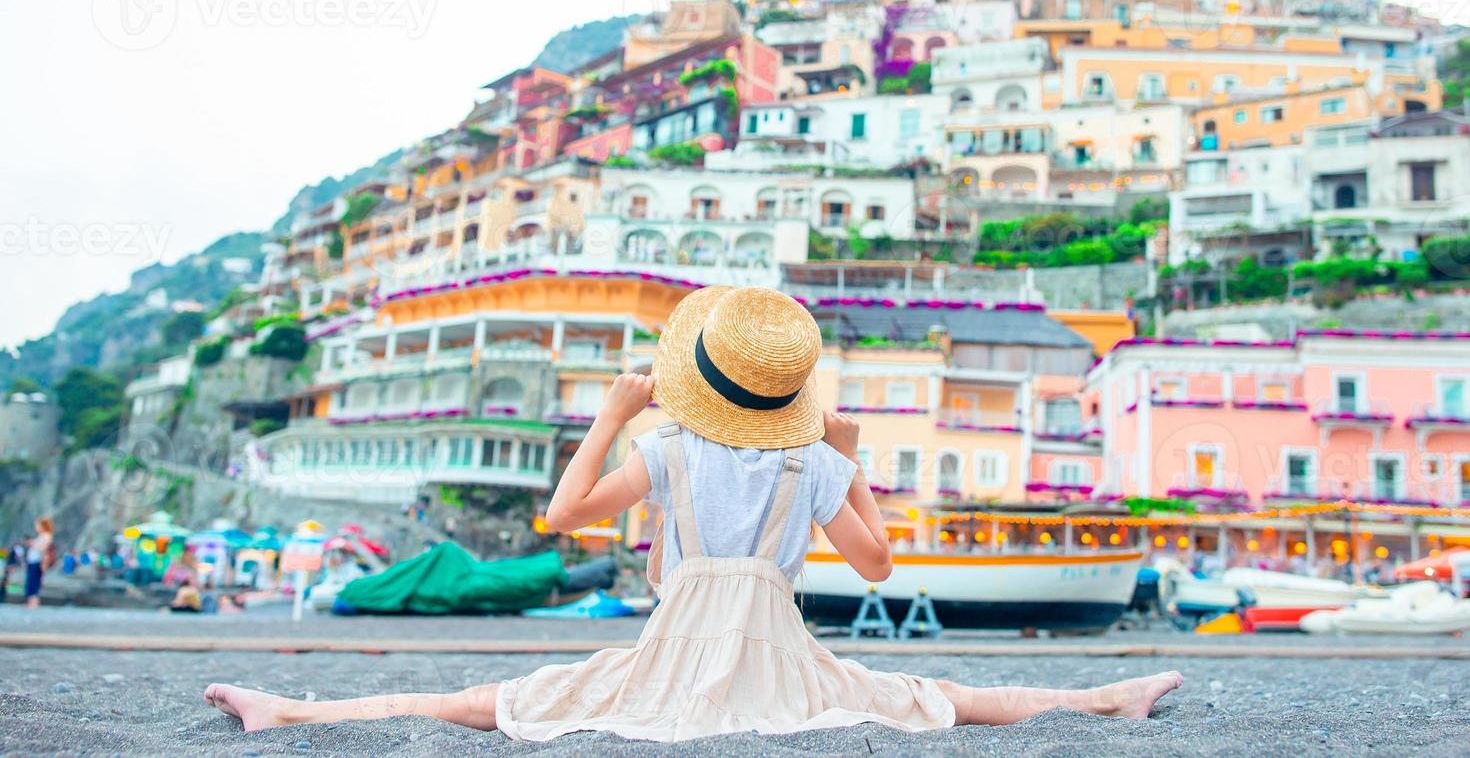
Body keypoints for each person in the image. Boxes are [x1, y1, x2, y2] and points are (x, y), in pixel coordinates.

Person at [204, 287, 1182, 738]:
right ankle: (1105, 697)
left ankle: (290, 707)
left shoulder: (667, 446)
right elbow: (878, 564)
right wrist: (848, 460)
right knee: (932, 697)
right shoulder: (810, 462)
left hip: (673, 653)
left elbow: (562, 512)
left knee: (496, 701)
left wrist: (612, 412)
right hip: (778, 658)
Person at [25, 517, 55, 608]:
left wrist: (32, 544)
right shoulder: (41, 536)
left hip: (38, 561)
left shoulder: (47, 536)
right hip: (32, 561)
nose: (36, 527)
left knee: (34, 581)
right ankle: (30, 602)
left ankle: (33, 603)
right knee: (30, 581)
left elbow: (43, 549)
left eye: (38, 525)